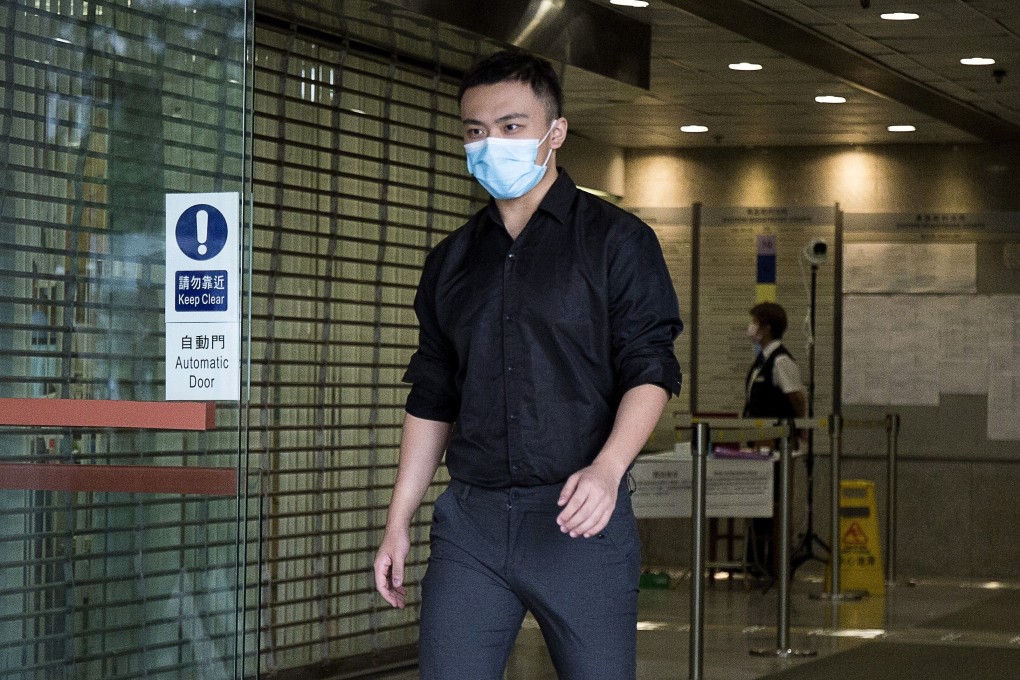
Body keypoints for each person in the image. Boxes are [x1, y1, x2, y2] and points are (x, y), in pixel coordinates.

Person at [373, 49, 683, 680]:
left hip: (578, 520)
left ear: (555, 132)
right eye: (475, 131)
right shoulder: (452, 260)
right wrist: (398, 519)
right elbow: (432, 394)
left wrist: (607, 469)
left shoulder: (617, 242)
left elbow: (650, 369)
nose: (491, 144)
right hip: (472, 527)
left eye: (511, 127)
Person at [742, 301, 806, 580]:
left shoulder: (781, 361)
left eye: (754, 322)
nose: (751, 327)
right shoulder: (762, 360)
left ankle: (774, 563)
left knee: (773, 505)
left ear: (766, 327)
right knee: (758, 504)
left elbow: (797, 399)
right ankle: (757, 562)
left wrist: (799, 432)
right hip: (758, 445)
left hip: (777, 446)